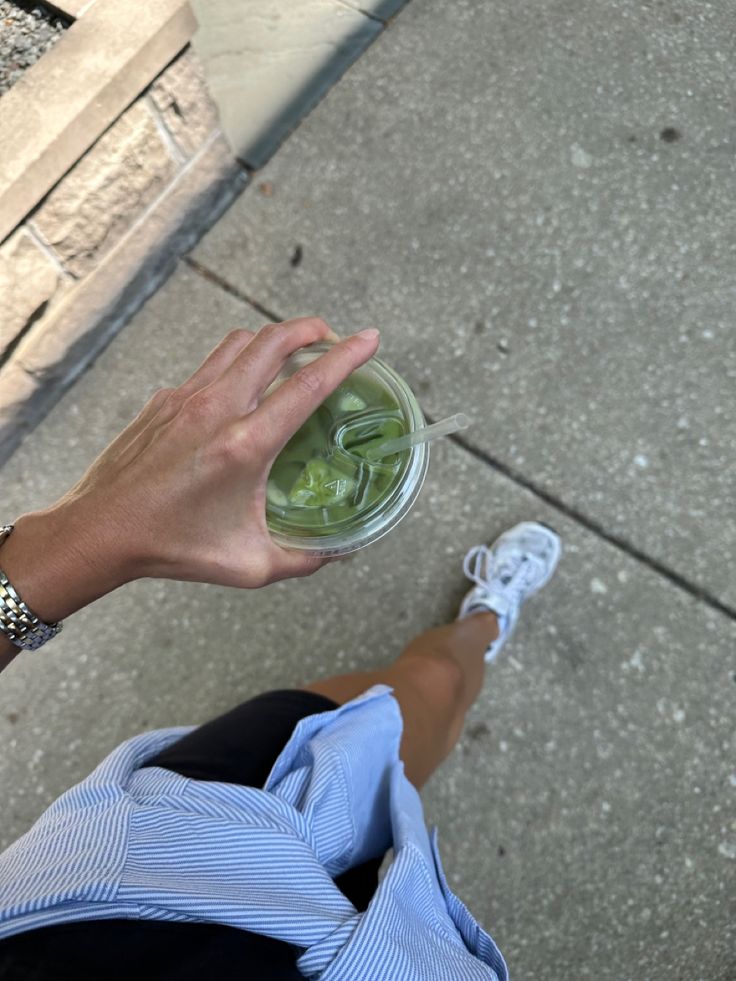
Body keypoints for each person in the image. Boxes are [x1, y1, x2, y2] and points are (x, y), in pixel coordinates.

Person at [0, 319, 561, 979]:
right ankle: (485, 622)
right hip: (381, 961)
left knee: (429, 687)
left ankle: (481, 626)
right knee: (420, 704)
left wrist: (64, 549)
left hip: (147, 851)